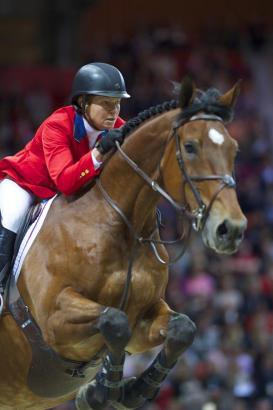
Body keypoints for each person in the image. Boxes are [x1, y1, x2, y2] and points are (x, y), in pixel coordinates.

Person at [0, 62, 130, 304]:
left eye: (118, 103)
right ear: (83, 103)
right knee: (13, 216)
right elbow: (65, 182)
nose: (114, 112)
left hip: (62, 196)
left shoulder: (118, 128)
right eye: (106, 104)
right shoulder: (57, 124)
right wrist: (98, 154)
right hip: (26, 184)